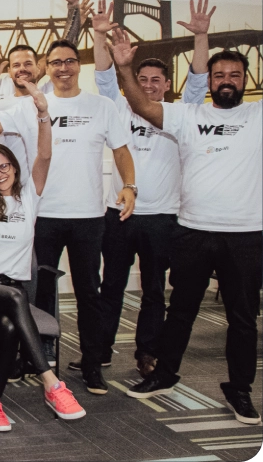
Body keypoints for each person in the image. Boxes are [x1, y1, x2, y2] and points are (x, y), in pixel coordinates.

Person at [111, 29, 262, 425]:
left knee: (243, 319)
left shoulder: (257, 115)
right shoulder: (189, 115)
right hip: (193, 230)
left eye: (234, 75)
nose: (226, 81)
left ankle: (240, 390)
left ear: (244, 79)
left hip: (246, 234)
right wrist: (124, 67)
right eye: (219, 75)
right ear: (208, 81)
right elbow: (142, 105)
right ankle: (165, 373)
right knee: (180, 310)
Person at [0, 39, 136, 395]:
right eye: (56, 62)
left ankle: (92, 364)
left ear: (78, 65)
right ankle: (36, 360)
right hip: (42, 215)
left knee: (88, 293)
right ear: (45, 68)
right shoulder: (29, 105)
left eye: (69, 61)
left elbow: (121, 150)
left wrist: (129, 185)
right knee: (37, 293)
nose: (63, 68)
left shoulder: (102, 106)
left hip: (88, 216)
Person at [0, 78, 86, 431]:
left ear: (14, 167)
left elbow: (45, 154)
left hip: (12, 289)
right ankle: (52, 383)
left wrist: (43, 113)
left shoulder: (29, 195)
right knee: (15, 298)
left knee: (10, 325)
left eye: (4, 166)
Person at [89, 0, 210, 379]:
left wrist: (201, 37)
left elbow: (199, 80)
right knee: (111, 286)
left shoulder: (182, 115)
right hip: (119, 214)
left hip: (162, 217)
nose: (148, 85)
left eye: (156, 80)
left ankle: (147, 353)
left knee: (154, 291)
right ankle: (99, 351)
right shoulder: (118, 108)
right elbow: (105, 74)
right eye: (142, 80)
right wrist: (98, 34)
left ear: (168, 85)